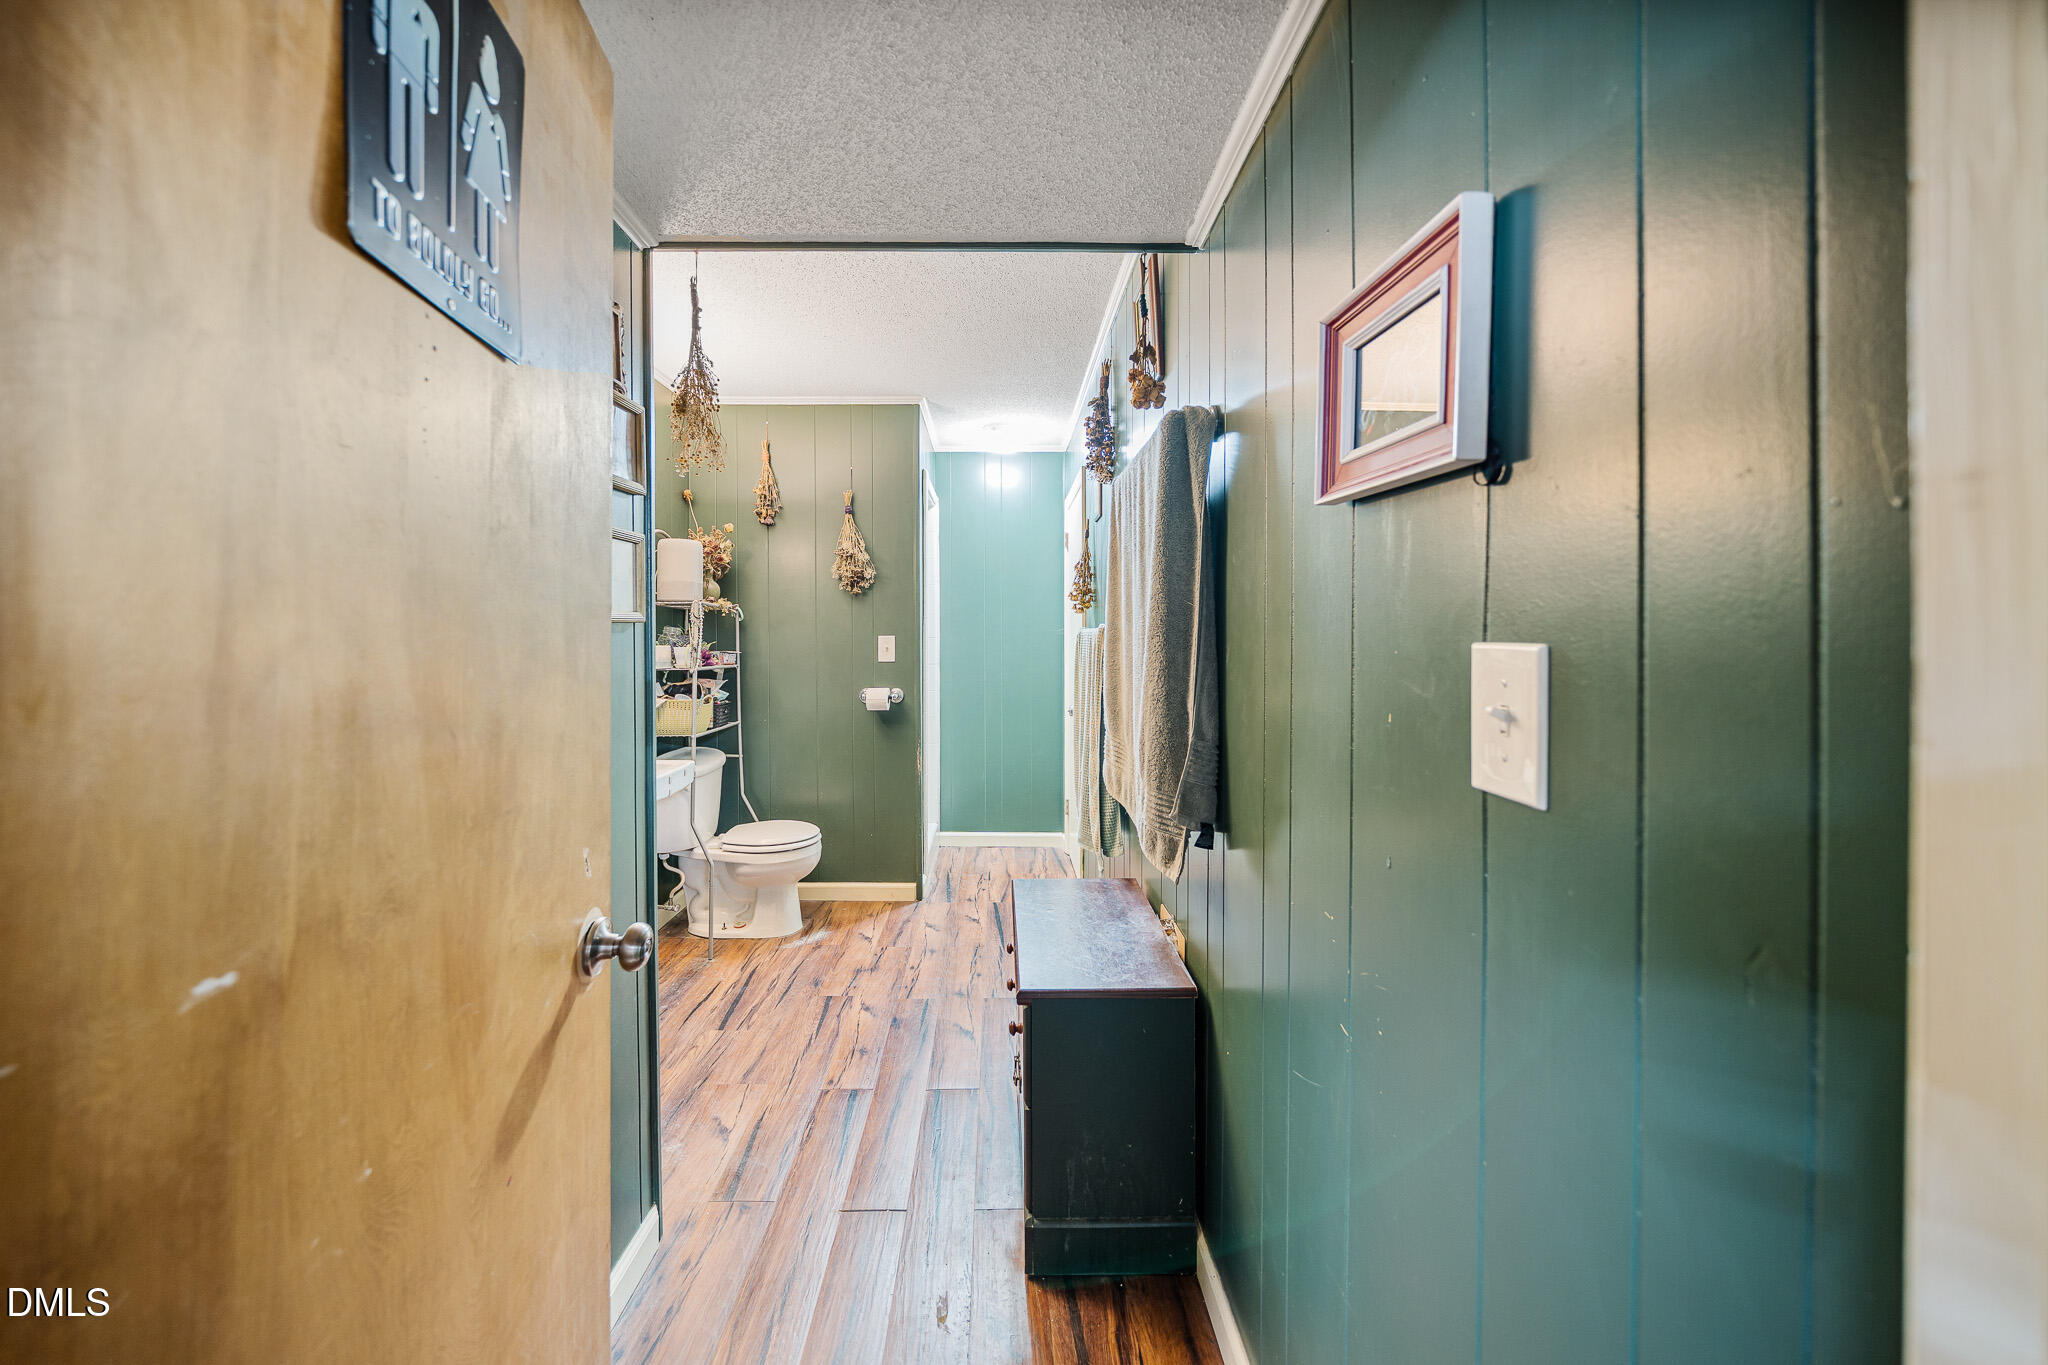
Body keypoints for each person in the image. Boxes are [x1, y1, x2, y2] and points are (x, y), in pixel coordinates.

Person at [372, 0, 440, 200]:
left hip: (416, 64)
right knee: (396, 108)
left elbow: (433, 35)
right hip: (398, 54)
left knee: (414, 120)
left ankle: (415, 179)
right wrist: (379, 25)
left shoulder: (423, 11)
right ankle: (396, 164)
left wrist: (431, 82)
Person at [462, 35, 512, 273]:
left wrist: (508, 190)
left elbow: (505, 162)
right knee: (480, 205)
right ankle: (480, 253)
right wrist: (464, 131)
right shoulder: (477, 96)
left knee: (490, 212)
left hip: (491, 172)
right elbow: (467, 122)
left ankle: (488, 259)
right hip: (482, 163)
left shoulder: (500, 121)